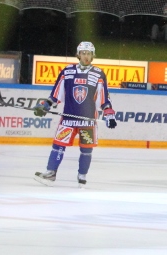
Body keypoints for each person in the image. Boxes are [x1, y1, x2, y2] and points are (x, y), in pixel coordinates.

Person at [32, 41, 117, 188]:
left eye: (88, 53)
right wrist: (45, 105)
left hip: (88, 120)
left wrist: (109, 114)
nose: (86, 56)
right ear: (78, 54)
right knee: (58, 145)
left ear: (93, 56)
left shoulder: (99, 73)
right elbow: (55, 94)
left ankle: (82, 176)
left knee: (86, 149)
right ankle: (51, 172)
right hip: (68, 119)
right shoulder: (67, 71)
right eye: (83, 53)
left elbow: (104, 98)